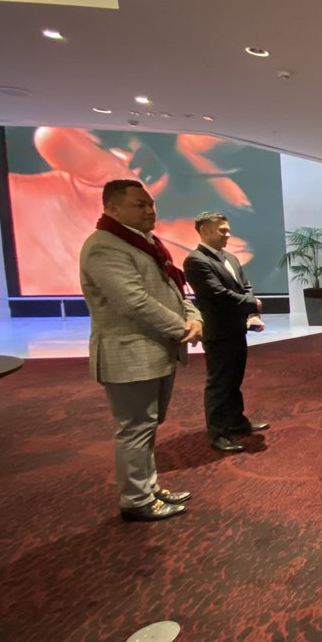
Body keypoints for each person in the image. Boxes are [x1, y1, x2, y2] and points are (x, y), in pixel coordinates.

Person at [79, 179, 202, 522]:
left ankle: (148, 487)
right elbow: (133, 301)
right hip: (129, 352)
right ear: (112, 209)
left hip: (153, 350)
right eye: (139, 205)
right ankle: (136, 500)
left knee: (147, 425)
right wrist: (181, 327)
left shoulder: (144, 243)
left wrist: (193, 315)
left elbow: (173, 288)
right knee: (135, 427)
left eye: (150, 204)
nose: (150, 210)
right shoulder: (104, 246)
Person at [182, 211, 269, 453]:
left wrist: (250, 307)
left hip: (236, 329)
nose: (228, 234)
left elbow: (245, 285)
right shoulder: (196, 260)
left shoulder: (230, 257)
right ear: (204, 230)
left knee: (234, 379)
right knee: (219, 383)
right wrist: (252, 304)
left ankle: (236, 422)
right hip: (218, 331)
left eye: (227, 229)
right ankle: (218, 433)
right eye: (222, 230)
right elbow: (217, 294)